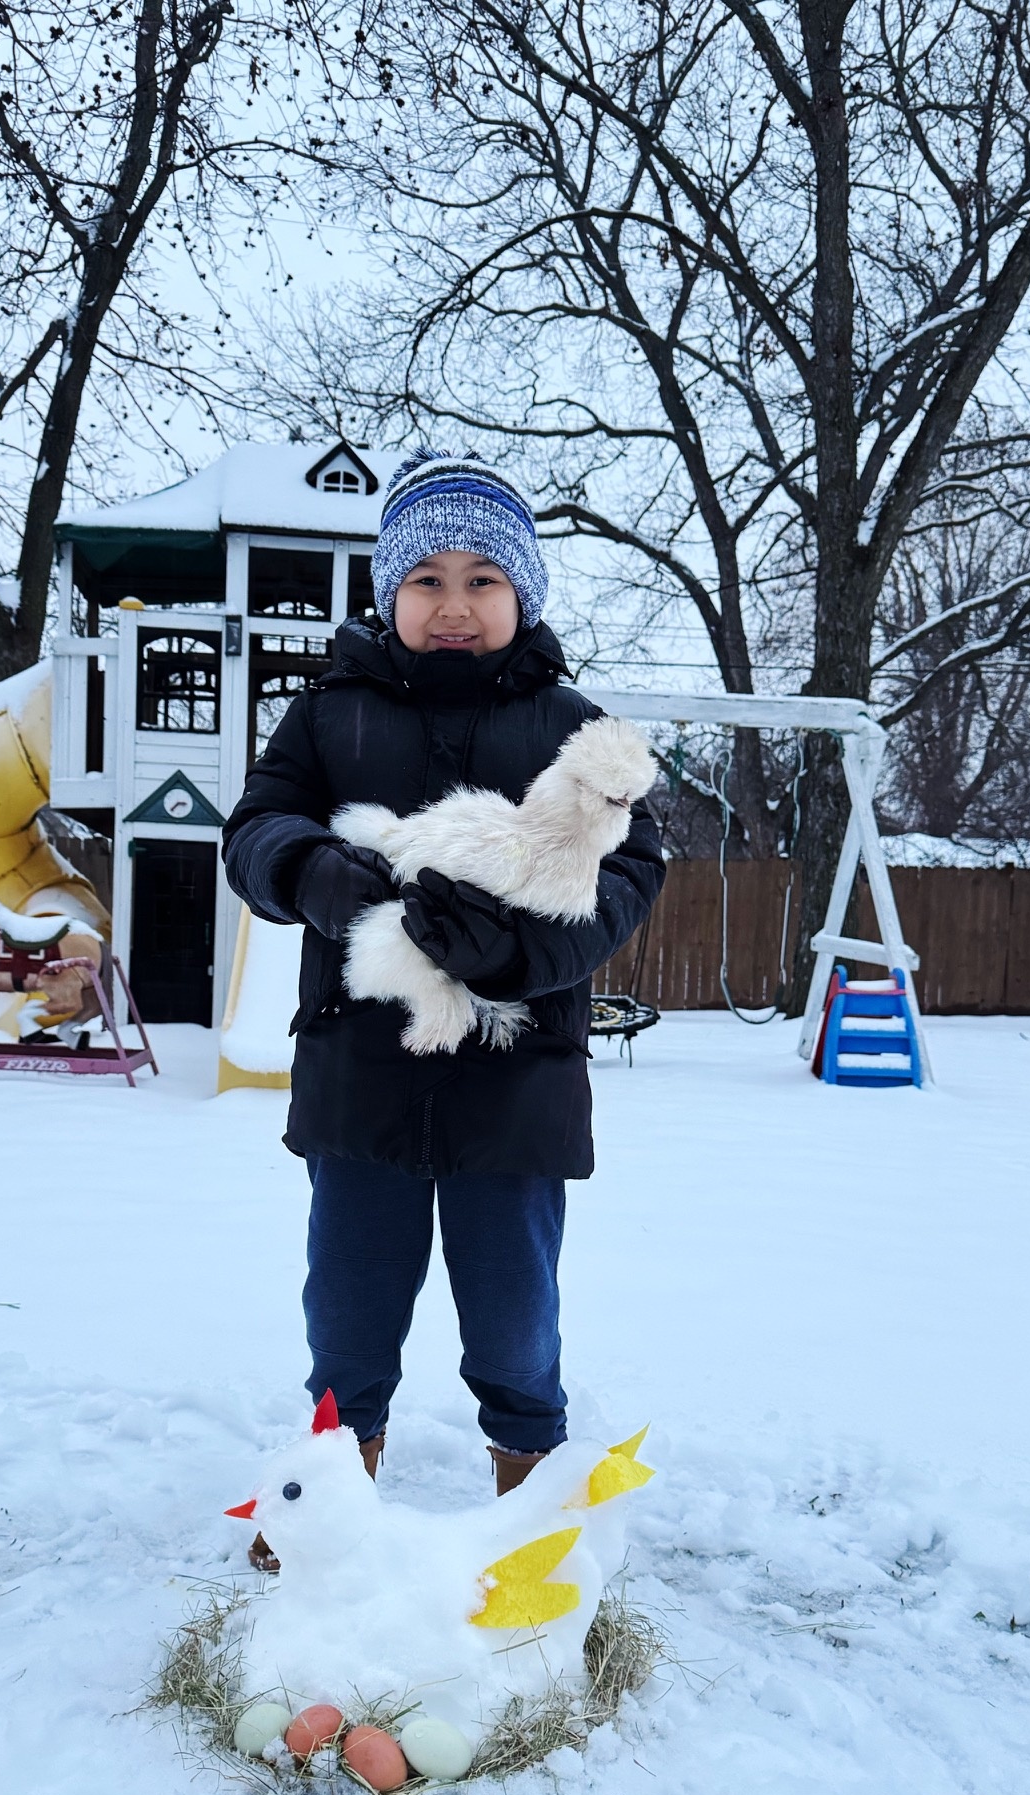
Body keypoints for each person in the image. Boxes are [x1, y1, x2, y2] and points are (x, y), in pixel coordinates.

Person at [222, 450, 664, 1565]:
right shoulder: (327, 715)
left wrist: (522, 950)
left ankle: (536, 1521)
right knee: (350, 1318)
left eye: (483, 579)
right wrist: (311, 872)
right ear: (389, 593)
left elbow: (629, 875)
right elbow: (256, 829)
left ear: (523, 594)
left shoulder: (577, 724)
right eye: (428, 579)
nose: (456, 605)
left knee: (516, 1325)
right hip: (361, 1073)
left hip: (518, 1082)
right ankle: (325, 1506)